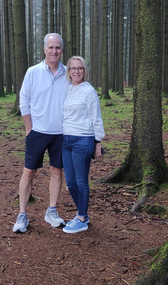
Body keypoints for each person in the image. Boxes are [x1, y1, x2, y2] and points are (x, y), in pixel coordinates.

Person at [12, 33, 69, 233]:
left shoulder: (68, 73)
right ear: (44, 49)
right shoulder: (33, 72)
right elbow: (24, 100)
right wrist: (29, 128)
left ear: (62, 50)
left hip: (60, 133)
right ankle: (22, 214)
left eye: (58, 48)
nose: (54, 51)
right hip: (37, 132)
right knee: (29, 171)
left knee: (56, 171)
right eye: (51, 47)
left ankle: (51, 211)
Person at [61, 56, 105, 234]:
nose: (76, 71)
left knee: (81, 181)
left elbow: (96, 117)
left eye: (79, 68)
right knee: (70, 182)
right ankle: (83, 213)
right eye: (73, 68)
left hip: (83, 140)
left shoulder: (89, 91)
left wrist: (98, 143)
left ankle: (81, 218)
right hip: (66, 141)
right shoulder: (69, 89)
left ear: (84, 71)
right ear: (69, 72)